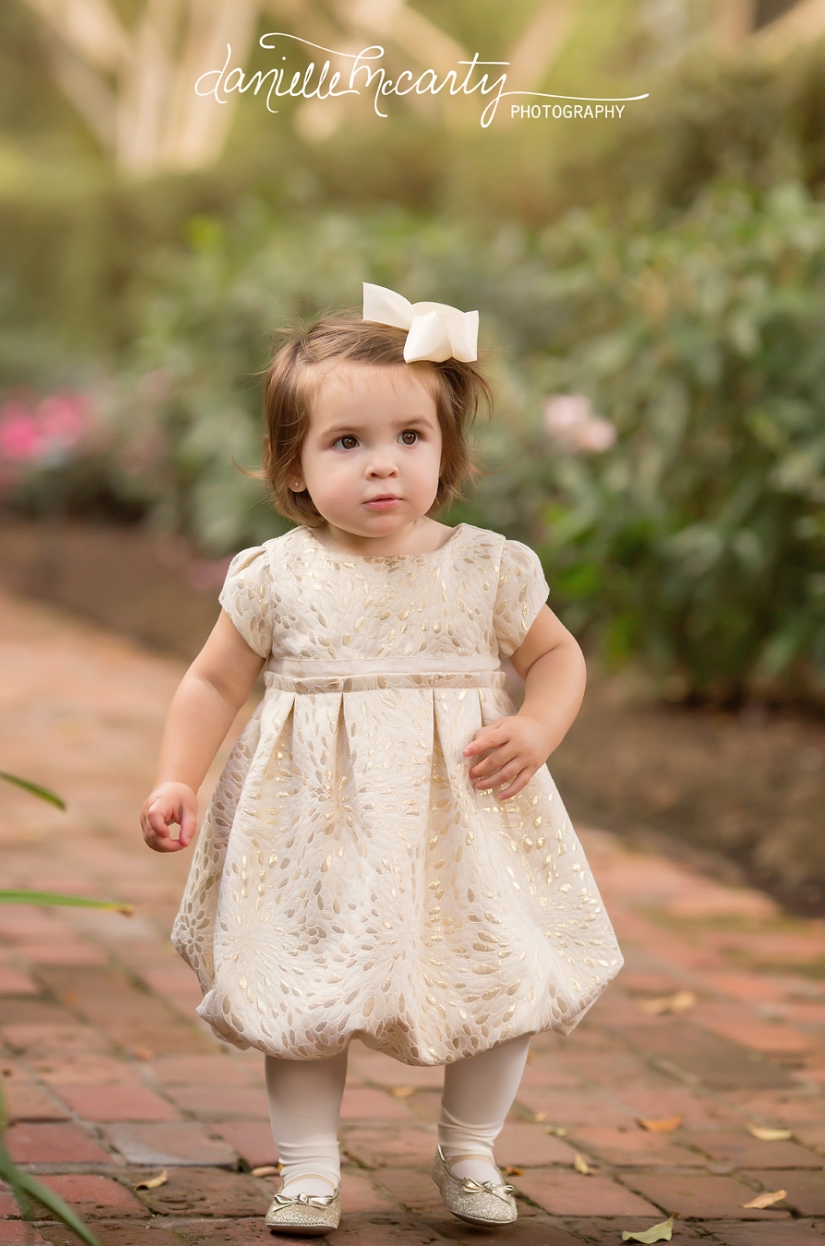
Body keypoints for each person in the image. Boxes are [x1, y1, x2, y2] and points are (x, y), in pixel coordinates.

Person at [140, 283, 623, 1236]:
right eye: (346, 443)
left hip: (463, 821)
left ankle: (470, 1147)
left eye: (410, 436)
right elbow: (209, 685)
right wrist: (176, 776)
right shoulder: (275, 576)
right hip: (313, 823)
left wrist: (535, 729)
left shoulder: (486, 568)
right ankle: (309, 1169)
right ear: (292, 464)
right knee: (306, 988)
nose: (383, 466)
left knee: (497, 977)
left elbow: (557, 658)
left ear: (445, 450)